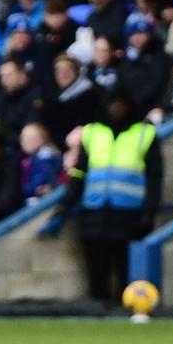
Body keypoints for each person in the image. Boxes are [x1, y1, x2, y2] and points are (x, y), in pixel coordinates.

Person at [39, 89, 162, 302]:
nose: (116, 109)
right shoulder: (91, 132)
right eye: (112, 104)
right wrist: (64, 207)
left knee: (125, 271)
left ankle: (125, 310)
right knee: (96, 272)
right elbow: (79, 172)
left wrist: (149, 212)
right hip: (94, 213)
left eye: (121, 104)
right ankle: (98, 310)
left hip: (128, 214)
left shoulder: (145, 134)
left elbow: (155, 177)